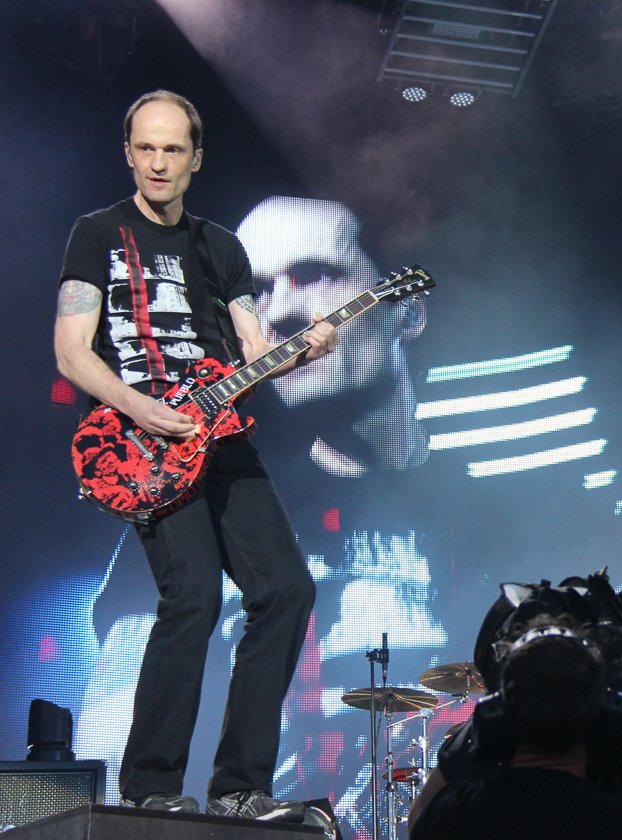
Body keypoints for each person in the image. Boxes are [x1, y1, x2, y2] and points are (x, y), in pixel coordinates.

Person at [53, 89, 339, 819]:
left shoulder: (220, 246)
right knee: (195, 598)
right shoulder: (96, 233)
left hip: (222, 437)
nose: (157, 162)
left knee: (287, 590)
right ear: (128, 153)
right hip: (141, 442)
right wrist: (142, 407)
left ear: (195, 159)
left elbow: (254, 350)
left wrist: (302, 351)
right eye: (145, 148)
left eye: (172, 149)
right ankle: (150, 787)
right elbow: (71, 354)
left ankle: (240, 786)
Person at [410, 616, 622, 840]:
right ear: (604, 716)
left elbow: (419, 820)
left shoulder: (451, 818)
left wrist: (461, 751)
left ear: (498, 715)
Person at [236, 196, 429, 478]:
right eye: (258, 292)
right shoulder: (249, 487)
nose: (278, 313)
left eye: (316, 275)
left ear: (408, 312)